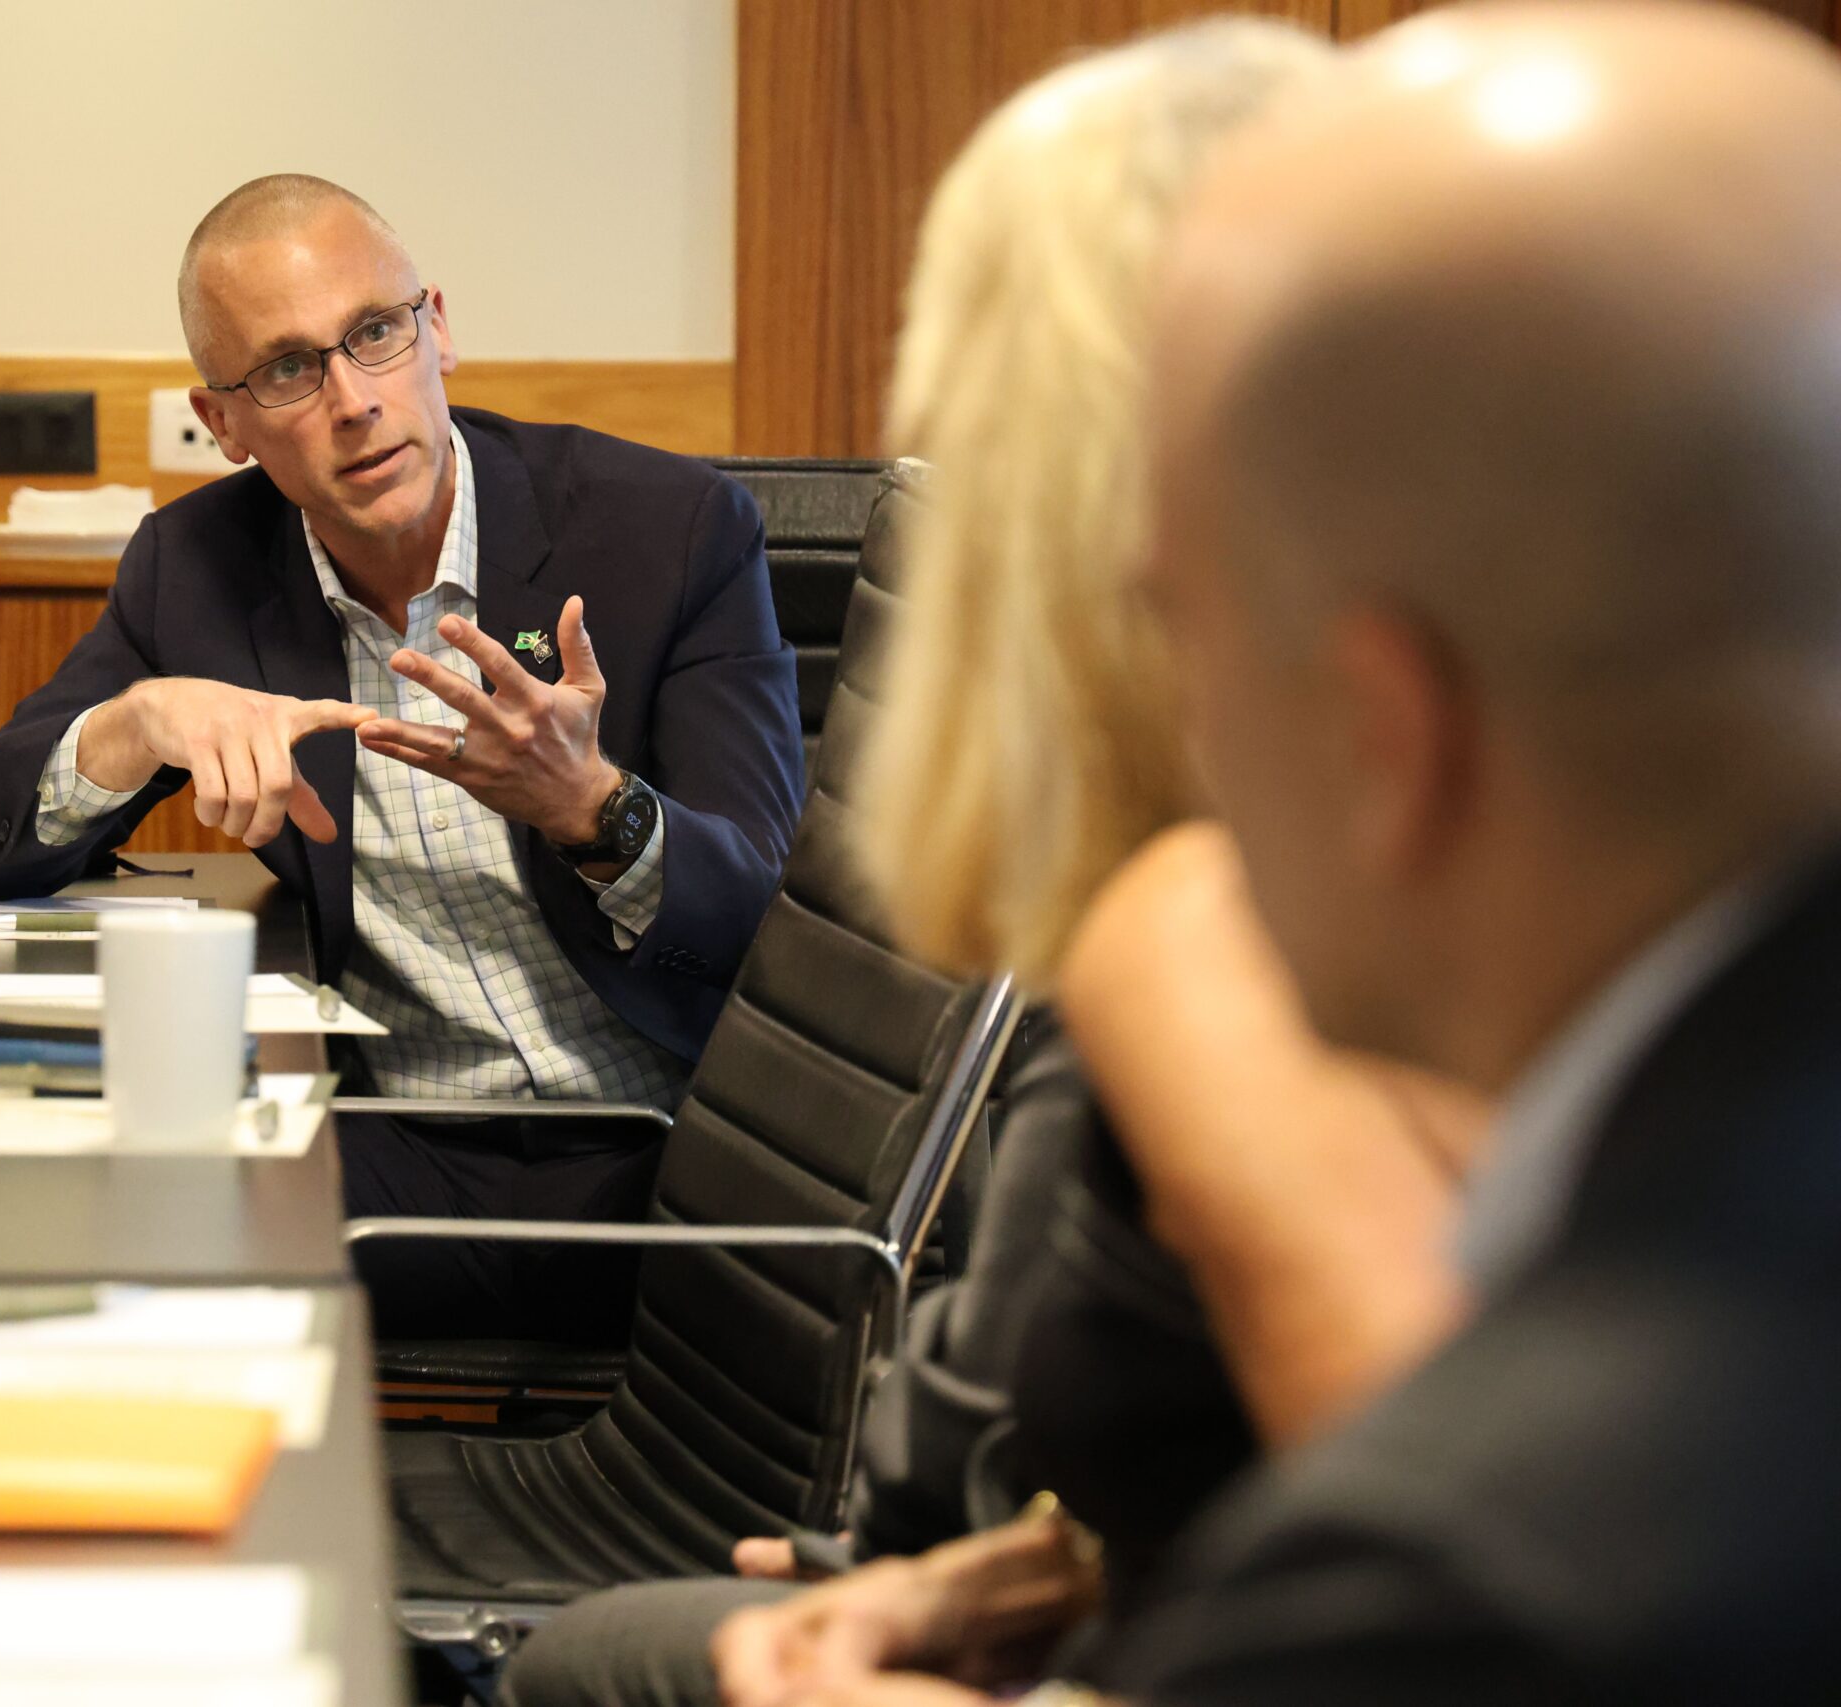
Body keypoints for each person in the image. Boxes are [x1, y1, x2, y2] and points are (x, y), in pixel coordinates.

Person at [758, 2, 1841, 1703]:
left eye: (1188, 623)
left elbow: (1441, 1553)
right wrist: (1054, 1573)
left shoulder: (1486, 1560)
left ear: (1380, 729)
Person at [499, 22, 1478, 1706]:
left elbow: (1466, 1593)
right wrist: (1053, 1565)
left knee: (576, 1672)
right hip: (1035, 1565)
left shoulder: (1209, 943)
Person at [0, 176, 805, 1338]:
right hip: (400, 1150)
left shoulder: (667, 531)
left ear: (435, 327)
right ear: (223, 421)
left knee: (150, 1282)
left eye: (374, 336)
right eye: (288, 369)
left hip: (671, 1159)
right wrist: (134, 724)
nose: (352, 401)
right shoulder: (196, 571)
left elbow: (767, 930)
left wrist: (593, 811)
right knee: (22, 1225)